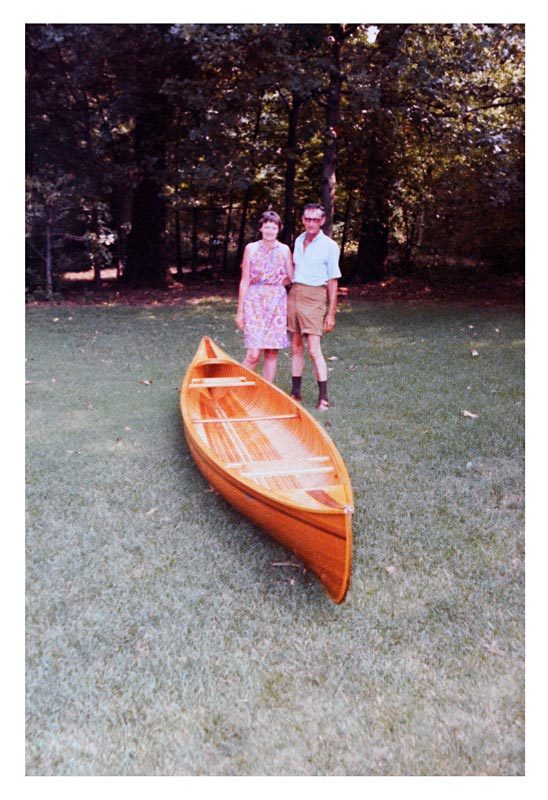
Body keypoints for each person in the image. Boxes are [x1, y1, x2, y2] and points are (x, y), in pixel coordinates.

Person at [287, 203, 341, 410]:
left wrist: (331, 313)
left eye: (315, 220)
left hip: (315, 296)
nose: (311, 223)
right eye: (308, 219)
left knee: (313, 349)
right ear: (303, 219)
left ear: (322, 221)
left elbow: (334, 281)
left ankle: (323, 398)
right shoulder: (298, 240)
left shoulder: (329, 246)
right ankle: (295, 392)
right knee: (295, 347)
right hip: (295, 294)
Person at [236, 210, 293, 383]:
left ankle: (267, 392)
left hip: (277, 304)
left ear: (279, 229)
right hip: (254, 303)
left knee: (271, 351)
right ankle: (235, 388)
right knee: (253, 354)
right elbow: (244, 281)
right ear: (261, 228)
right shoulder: (251, 248)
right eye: (266, 227)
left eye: (273, 227)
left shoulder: (284, 250)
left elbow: (292, 277)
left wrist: (276, 284)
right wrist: (240, 312)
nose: (270, 231)